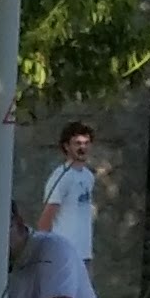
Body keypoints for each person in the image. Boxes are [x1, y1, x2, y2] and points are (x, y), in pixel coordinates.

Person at [36, 120, 101, 283]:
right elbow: (46, 218)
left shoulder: (88, 176)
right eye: (77, 143)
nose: (82, 148)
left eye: (86, 143)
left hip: (84, 254)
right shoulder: (61, 177)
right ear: (66, 146)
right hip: (64, 253)